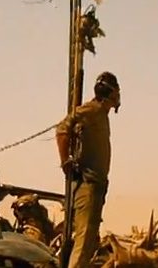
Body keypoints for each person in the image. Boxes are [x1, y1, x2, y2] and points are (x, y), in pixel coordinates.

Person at [57, 72, 122, 268]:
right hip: (88, 185)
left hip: (97, 185)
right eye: (116, 90)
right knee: (84, 241)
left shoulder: (101, 114)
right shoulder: (92, 110)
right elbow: (62, 129)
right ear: (110, 92)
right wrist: (65, 161)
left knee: (90, 241)